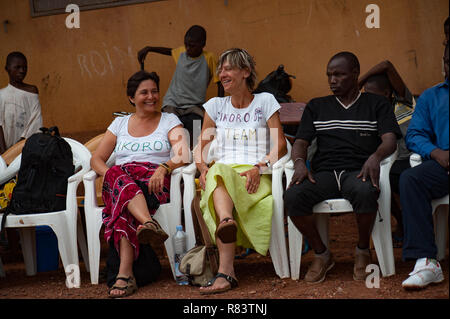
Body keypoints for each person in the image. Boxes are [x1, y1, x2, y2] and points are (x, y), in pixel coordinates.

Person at [284, 52, 401, 284]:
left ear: (356, 73)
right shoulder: (317, 106)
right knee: (293, 197)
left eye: (339, 74)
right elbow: (300, 142)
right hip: (324, 174)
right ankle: (321, 253)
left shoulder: (376, 104)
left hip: (358, 170)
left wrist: (375, 157)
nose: (332, 80)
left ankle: (362, 250)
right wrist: (298, 163)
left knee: (366, 192)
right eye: (329, 75)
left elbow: (390, 140)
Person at [195, 48, 287, 295]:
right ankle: (227, 223)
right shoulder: (214, 106)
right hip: (221, 177)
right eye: (220, 70)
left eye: (228, 69)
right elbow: (200, 148)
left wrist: (260, 167)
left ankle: (226, 271)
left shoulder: (265, 101)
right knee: (217, 172)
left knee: (218, 176)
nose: (222, 74)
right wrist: (202, 168)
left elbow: (279, 144)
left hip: (254, 179)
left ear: (245, 72)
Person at [90, 70, 189, 298]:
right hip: (123, 182)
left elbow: (183, 154)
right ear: (131, 98)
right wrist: (112, 176)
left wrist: (163, 167)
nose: (151, 96)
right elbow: (96, 159)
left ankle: (123, 275)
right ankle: (147, 225)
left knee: (122, 203)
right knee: (121, 186)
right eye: (144, 92)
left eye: (155, 91)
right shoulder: (119, 123)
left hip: (153, 184)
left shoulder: (169, 120)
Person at [400, 43, 449, 290]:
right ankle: (428, 262)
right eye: (448, 62)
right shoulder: (432, 96)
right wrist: (435, 151)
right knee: (411, 179)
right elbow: (414, 134)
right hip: (444, 165)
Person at [137, 25, 224, 148]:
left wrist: (218, 107)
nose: (188, 48)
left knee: (198, 129)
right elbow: (168, 51)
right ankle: (172, 156)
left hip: (194, 105)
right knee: (170, 127)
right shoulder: (181, 53)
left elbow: (219, 83)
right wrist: (149, 49)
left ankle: (195, 156)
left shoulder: (209, 58)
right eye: (186, 44)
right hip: (173, 102)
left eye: (192, 46)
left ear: (203, 44)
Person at [359, 60, 415, 247]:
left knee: (407, 182)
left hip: (413, 160)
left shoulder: (404, 102)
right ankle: (401, 222)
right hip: (389, 164)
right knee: (378, 180)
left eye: (373, 95)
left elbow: (387, 65)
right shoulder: (369, 113)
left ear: (387, 93)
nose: (370, 100)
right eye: (366, 95)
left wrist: (359, 81)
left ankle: (412, 227)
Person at [0, 51, 42, 154]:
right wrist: (5, 153)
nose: (22, 71)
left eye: (25, 67)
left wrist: (18, 147)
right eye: (17, 67)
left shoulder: (32, 91)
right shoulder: (2, 95)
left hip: (27, 147)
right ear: (7, 69)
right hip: (5, 150)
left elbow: (35, 122)